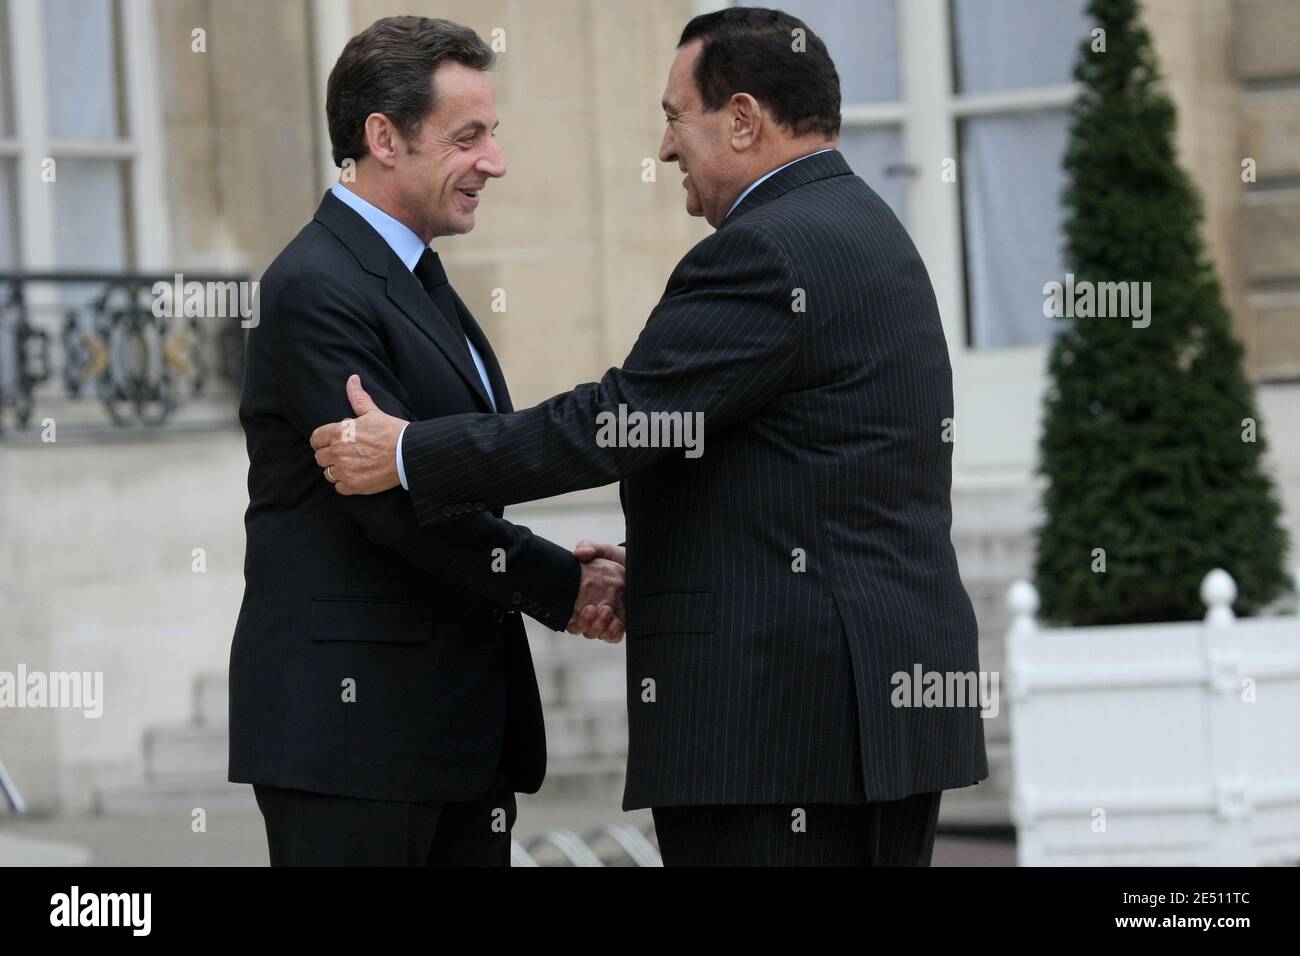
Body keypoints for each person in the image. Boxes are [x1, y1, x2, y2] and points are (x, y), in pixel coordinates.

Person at [312, 6, 988, 866]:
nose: (666, 148)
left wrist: (408, 453)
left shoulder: (765, 253)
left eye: (675, 118)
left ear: (742, 119)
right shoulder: (867, 227)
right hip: (863, 717)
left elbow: (616, 421)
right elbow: (809, 476)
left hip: (780, 732)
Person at [229, 15, 624, 867]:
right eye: (468, 136)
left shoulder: (413, 273)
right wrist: (565, 581)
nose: (495, 161)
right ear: (383, 137)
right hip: (356, 744)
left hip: (446, 738)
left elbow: (446, 465)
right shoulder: (314, 286)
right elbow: (394, 505)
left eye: (495, 134)